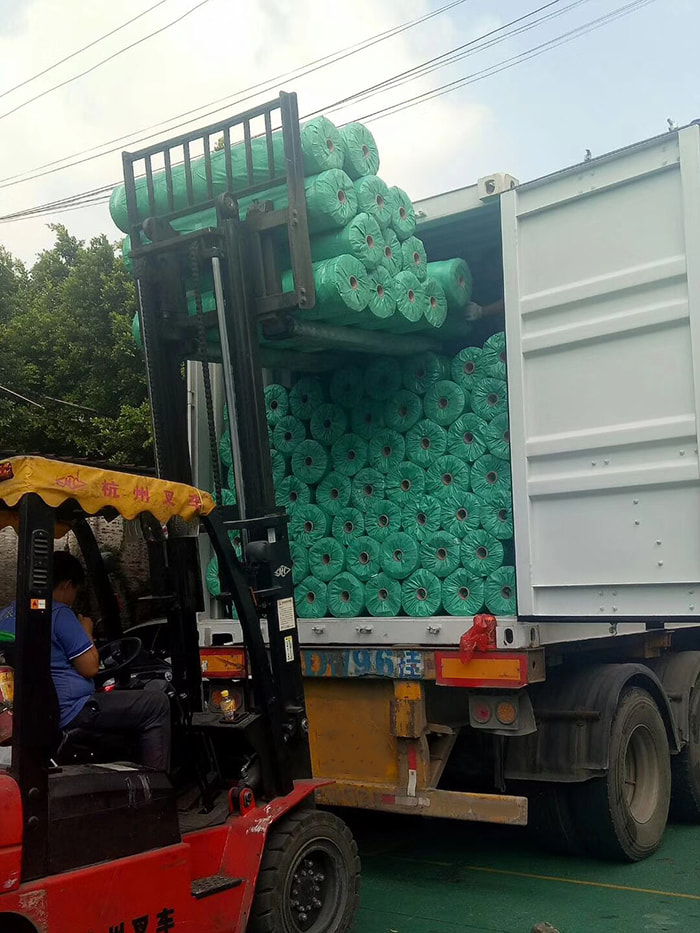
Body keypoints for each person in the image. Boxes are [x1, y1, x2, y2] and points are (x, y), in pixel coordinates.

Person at [0, 551, 170, 771]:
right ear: (67, 585)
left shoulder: (7, 614)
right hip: (70, 710)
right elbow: (90, 668)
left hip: (29, 712)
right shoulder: (60, 614)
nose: (74, 598)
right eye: (76, 591)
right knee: (157, 704)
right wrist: (86, 631)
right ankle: (156, 780)